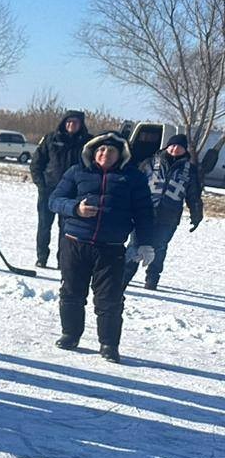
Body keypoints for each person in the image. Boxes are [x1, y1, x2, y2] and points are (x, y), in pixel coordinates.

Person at [50, 132, 154, 361]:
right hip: (75, 244)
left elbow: (145, 214)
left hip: (111, 248)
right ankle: (70, 334)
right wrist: (76, 209)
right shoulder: (76, 172)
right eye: (101, 149)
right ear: (92, 152)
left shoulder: (133, 178)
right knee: (71, 292)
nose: (105, 153)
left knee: (110, 299)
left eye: (111, 150)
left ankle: (108, 344)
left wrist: (146, 243)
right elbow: (54, 200)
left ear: (121, 155)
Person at [125, 133, 203, 290]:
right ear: (167, 146)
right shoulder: (149, 163)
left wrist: (196, 214)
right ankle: (124, 276)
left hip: (169, 216)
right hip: (144, 213)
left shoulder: (190, 170)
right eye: (172, 145)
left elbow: (194, 195)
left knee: (159, 247)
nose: (175, 149)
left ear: (185, 150)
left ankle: (152, 279)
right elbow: (133, 186)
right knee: (135, 245)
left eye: (179, 146)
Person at [30, 110, 88, 267]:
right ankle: (42, 257)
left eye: (75, 122)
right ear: (64, 123)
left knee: (66, 229)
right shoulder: (51, 138)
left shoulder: (86, 142)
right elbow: (36, 163)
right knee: (44, 226)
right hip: (49, 190)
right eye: (69, 121)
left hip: (72, 194)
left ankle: (62, 260)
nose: (71, 125)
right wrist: (41, 184)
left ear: (81, 124)